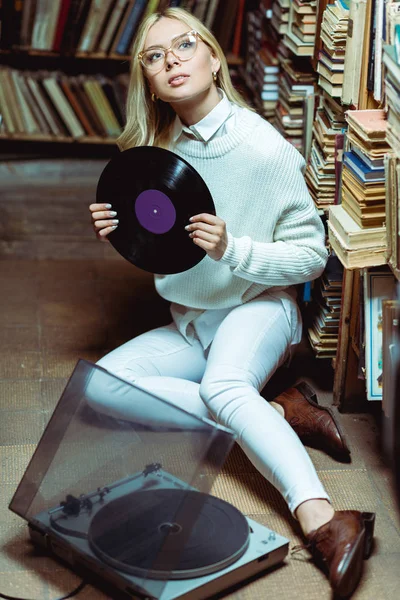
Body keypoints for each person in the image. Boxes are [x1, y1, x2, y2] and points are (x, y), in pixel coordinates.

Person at [88, 7, 375, 597]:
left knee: (222, 389)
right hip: (191, 321)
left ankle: (325, 520)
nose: (170, 60)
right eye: (153, 54)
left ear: (214, 58)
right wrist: (123, 228)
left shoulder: (261, 148)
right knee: (97, 389)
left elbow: (311, 258)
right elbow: (164, 246)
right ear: (145, 77)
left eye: (184, 45)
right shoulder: (153, 149)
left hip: (260, 307)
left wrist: (234, 249)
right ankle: (274, 412)